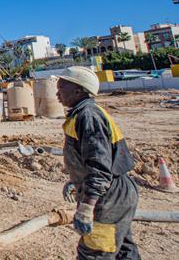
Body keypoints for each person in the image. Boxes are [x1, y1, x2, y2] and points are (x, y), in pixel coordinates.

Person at [56, 66, 139, 260]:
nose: (57, 94)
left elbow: (100, 165)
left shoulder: (88, 116)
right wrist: (77, 180)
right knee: (124, 252)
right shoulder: (83, 113)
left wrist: (87, 207)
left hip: (108, 198)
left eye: (61, 88)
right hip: (115, 191)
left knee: (94, 253)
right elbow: (97, 158)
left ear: (78, 90)